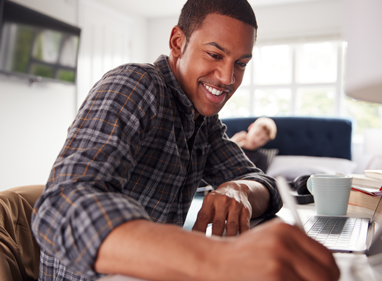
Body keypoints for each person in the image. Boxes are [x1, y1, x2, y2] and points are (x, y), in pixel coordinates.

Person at [31, 0, 340, 280]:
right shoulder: (134, 85)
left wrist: (239, 190)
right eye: (215, 54)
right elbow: (59, 206)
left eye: (241, 63)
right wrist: (217, 259)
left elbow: (263, 183)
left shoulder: (204, 122)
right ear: (178, 43)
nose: (227, 78)